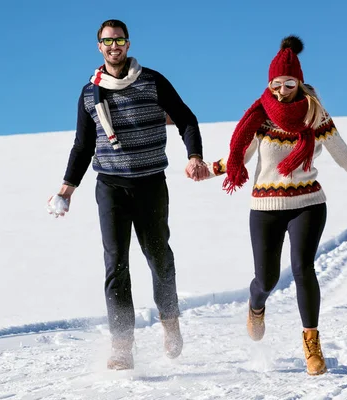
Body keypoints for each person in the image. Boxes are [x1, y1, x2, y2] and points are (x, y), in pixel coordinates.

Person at [206, 36, 347, 375]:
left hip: (308, 202)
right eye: (277, 83)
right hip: (265, 206)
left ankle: (311, 345)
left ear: (299, 82)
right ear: (270, 83)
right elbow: (240, 156)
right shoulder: (260, 116)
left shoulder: (315, 112)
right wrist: (211, 170)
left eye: (290, 82)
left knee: (304, 269)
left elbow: (341, 151)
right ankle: (256, 304)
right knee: (267, 278)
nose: (283, 89)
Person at [47, 19, 209, 370]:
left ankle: (170, 323)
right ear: (99, 47)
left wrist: (194, 156)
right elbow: (83, 145)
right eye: (107, 41)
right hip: (111, 186)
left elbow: (186, 118)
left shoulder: (152, 81)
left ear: (128, 44)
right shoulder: (90, 93)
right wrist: (66, 189)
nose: (114, 46)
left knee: (158, 257)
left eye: (119, 40)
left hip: (151, 183)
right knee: (115, 262)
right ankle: (122, 345)